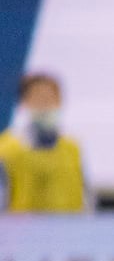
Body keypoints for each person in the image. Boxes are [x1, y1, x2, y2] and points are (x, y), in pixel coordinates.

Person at [1, 73, 89, 212]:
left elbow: (85, 195)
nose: (45, 105)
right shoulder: (7, 148)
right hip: (22, 229)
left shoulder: (72, 147)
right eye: (39, 99)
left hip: (68, 228)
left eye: (50, 98)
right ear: (24, 102)